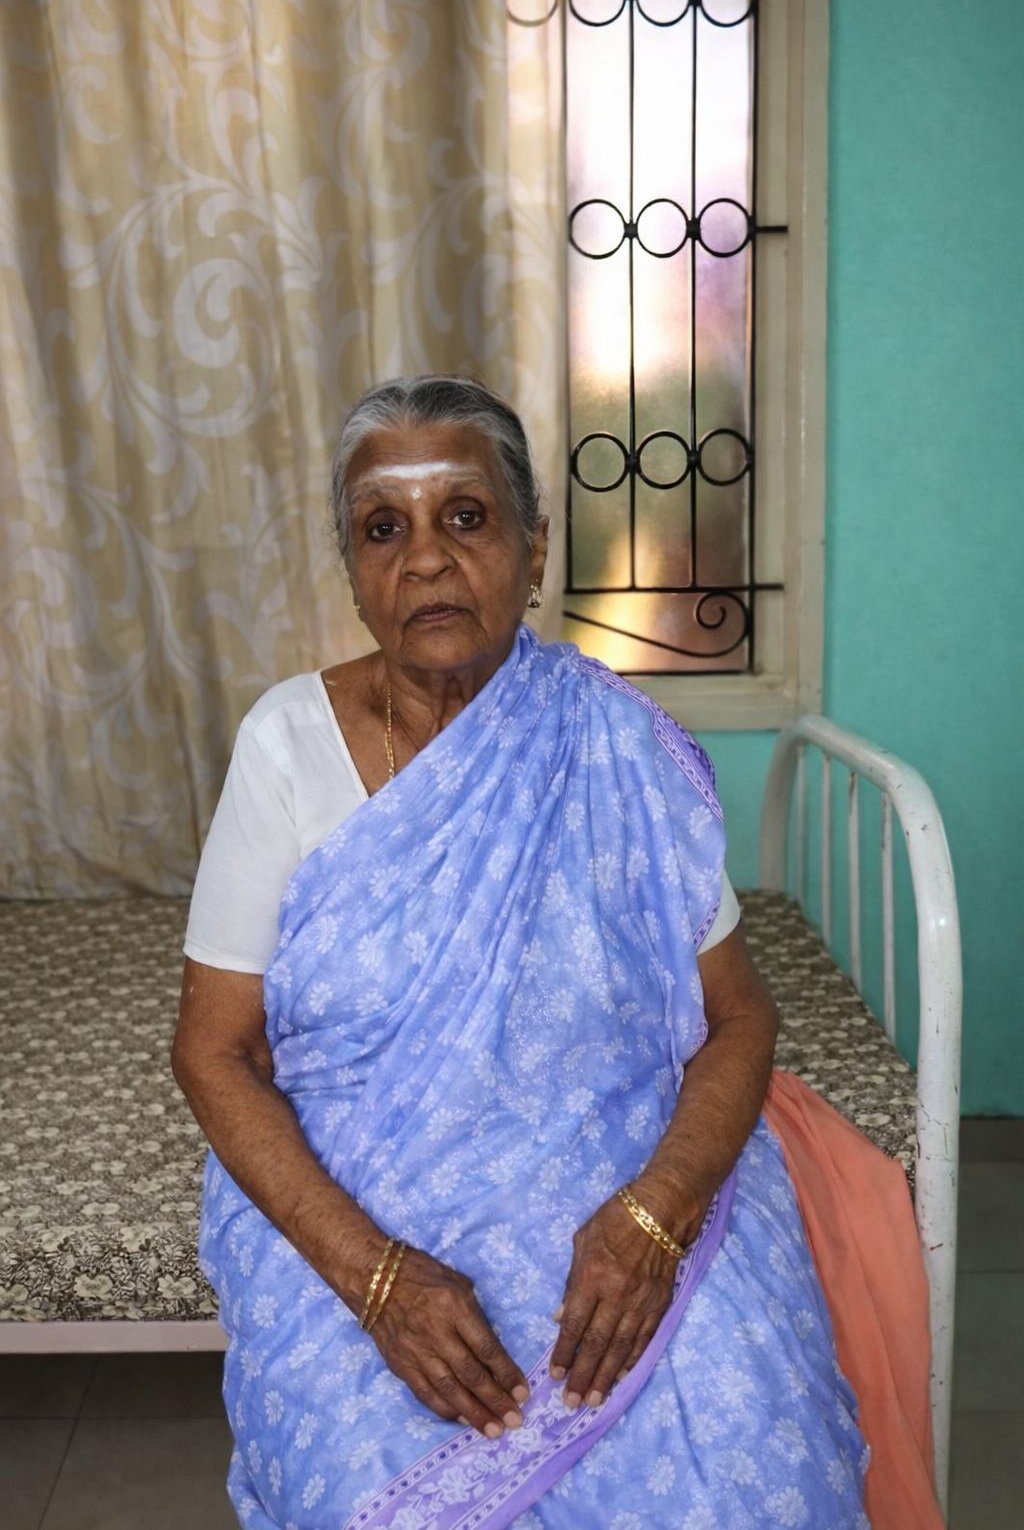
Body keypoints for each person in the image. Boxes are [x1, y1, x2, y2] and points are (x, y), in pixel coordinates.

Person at [173, 374, 872, 1529]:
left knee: (758, 1463)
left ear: (534, 547)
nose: (426, 561)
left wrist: (654, 1216)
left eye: (466, 515)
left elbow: (738, 1017)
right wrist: (378, 1281)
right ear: (352, 572)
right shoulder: (287, 743)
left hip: (623, 1180)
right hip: (362, 1208)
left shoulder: (618, 744)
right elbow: (213, 1053)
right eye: (382, 529)